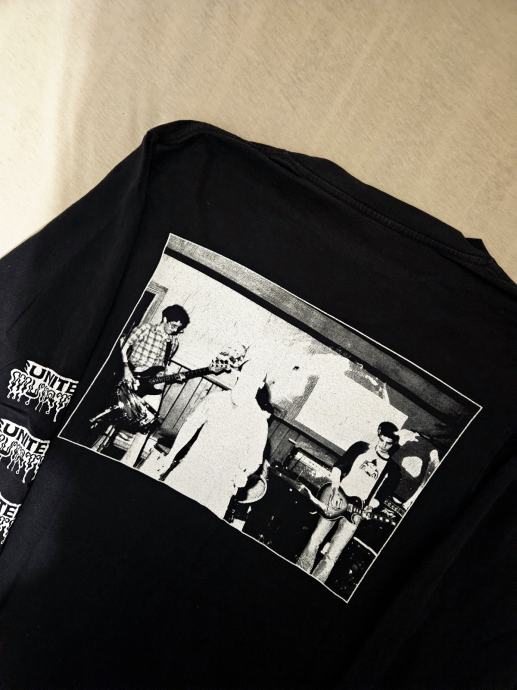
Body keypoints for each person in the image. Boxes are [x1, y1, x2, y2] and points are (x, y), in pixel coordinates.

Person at [157, 361, 271, 519]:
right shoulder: (215, 399)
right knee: (165, 515)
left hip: (220, 485)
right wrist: (171, 456)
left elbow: (254, 459)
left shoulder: (259, 421)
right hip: (190, 469)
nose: (248, 381)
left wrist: (244, 474)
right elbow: (190, 426)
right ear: (238, 374)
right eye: (246, 375)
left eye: (254, 378)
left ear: (260, 384)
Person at [297, 421, 401, 583]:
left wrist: (370, 507)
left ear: (394, 444)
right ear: (378, 435)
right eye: (381, 440)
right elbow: (338, 468)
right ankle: (299, 573)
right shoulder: (361, 448)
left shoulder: (392, 470)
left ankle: (316, 583)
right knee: (315, 538)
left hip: (357, 510)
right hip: (337, 499)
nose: (383, 445)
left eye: (388, 443)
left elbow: (380, 497)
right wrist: (334, 490)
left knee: (334, 553)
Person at [118, 304, 190, 465]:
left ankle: (128, 462)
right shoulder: (146, 329)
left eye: (178, 328)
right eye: (173, 325)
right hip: (133, 376)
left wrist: (172, 376)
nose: (175, 330)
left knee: (148, 421)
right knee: (121, 413)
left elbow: (162, 366)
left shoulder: (174, 342)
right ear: (164, 319)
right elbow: (124, 346)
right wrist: (126, 369)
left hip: (154, 384)